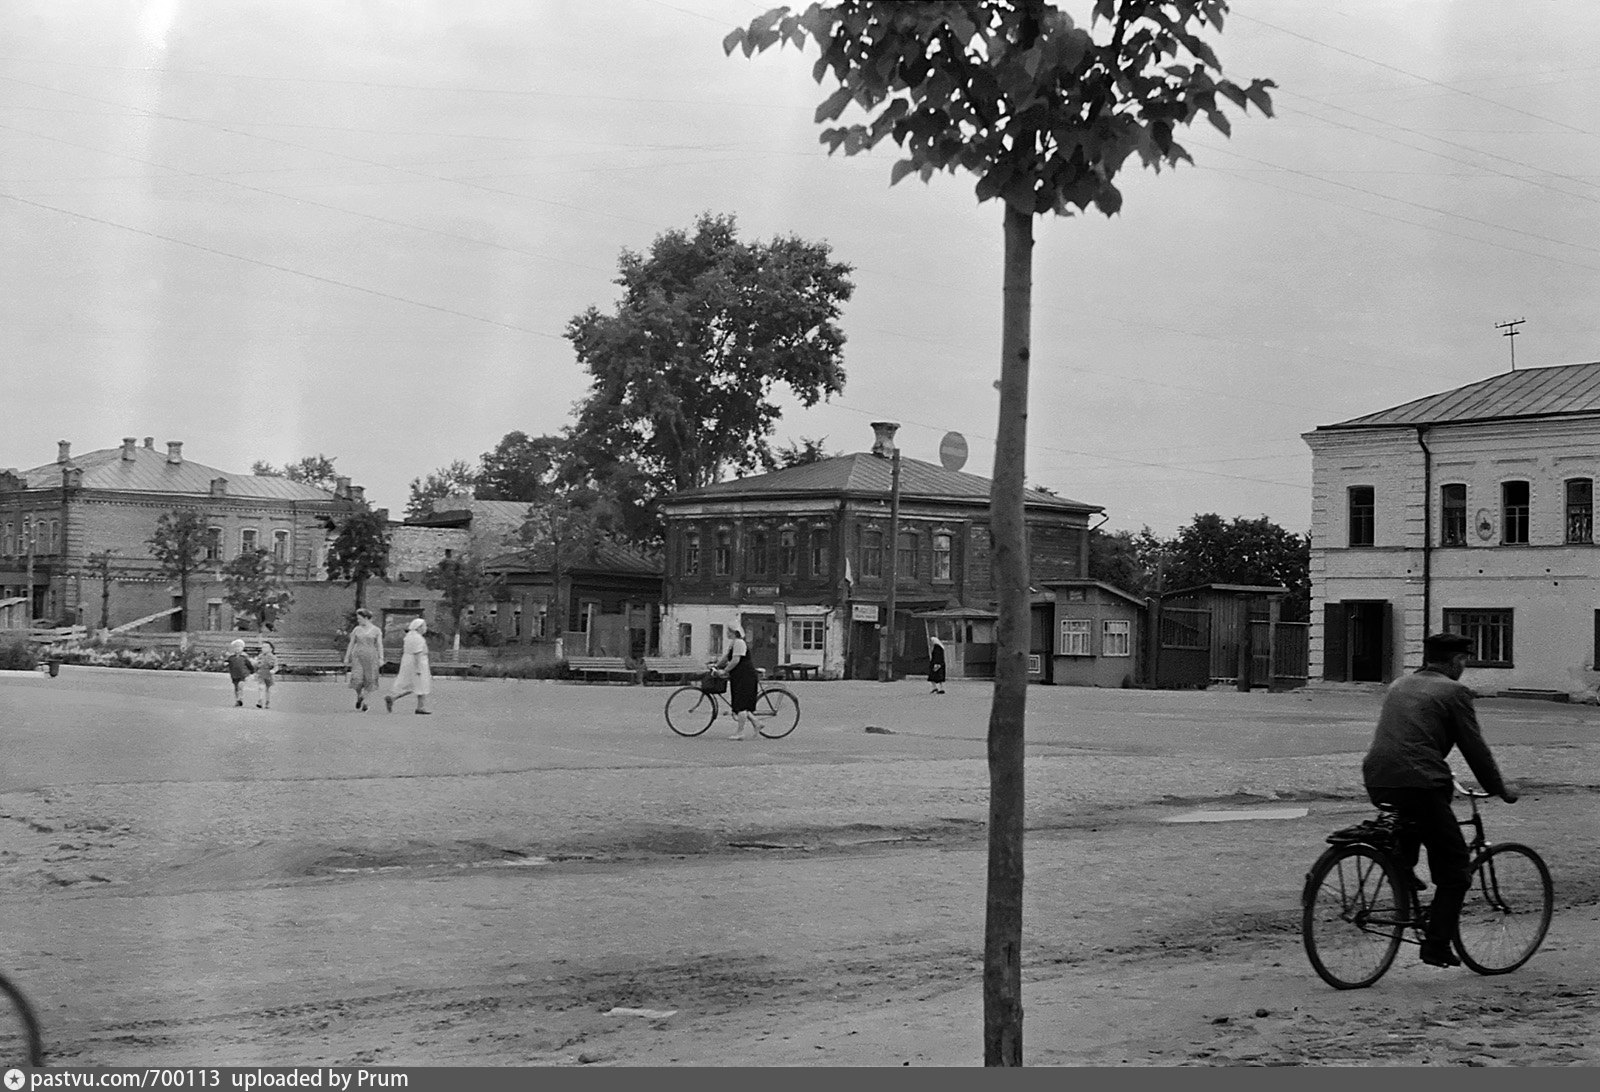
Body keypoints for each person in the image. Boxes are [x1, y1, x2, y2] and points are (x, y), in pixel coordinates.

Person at [1362, 631, 1518, 968]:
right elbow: (1474, 748)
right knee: (1455, 870)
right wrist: (1500, 788)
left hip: (1377, 778)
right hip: (1420, 781)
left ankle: (1402, 867)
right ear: (1458, 661)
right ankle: (1436, 945)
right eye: (1465, 661)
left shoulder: (1399, 684)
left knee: (1421, 812)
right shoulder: (1455, 691)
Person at [713, 625, 759, 740]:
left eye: (728, 631)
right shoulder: (734, 643)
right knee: (739, 702)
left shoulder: (739, 643)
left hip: (745, 676)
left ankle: (740, 732)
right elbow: (726, 658)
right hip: (738, 676)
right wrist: (716, 665)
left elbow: (735, 660)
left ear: (734, 632)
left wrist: (724, 670)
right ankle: (757, 723)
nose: (727, 633)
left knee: (741, 705)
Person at [385, 617, 432, 715]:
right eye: (424, 626)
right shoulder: (418, 638)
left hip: (408, 662)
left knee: (414, 685)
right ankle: (420, 707)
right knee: (420, 684)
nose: (425, 628)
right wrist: (419, 668)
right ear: (419, 627)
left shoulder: (409, 636)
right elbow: (417, 653)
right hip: (418, 663)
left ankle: (418, 706)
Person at [343, 608, 385, 711]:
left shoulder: (376, 630)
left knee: (369, 679)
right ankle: (359, 695)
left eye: (360, 618)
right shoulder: (357, 629)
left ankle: (365, 700)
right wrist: (347, 656)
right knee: (357, 679)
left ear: (366, 618)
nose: (358, 620)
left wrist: (381, 658)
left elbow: (379, 645)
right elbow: (351, 643)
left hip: (371, 656)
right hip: (358, 656)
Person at [224, 638, 254, 707]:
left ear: (242, 648)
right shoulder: (231, 657)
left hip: (242, 674)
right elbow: (227, 662)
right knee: (236, 687)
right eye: (235, 647)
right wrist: (225, 664)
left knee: (240, 685)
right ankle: (237, 700)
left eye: (239, 647)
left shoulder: (244, 657)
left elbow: (248, 664)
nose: (237, 649)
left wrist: (252, 670)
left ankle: (240, 698)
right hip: (234, 674)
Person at [254, 639, 277, 709]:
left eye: (265, 647)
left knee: (268, 689)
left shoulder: (273, 657)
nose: (263, 649)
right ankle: (260, 700)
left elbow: (276, 666)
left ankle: (267, 702)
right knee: (261, 687)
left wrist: (274, 670)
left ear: (271, 649)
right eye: (262, 647)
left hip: (269, 674)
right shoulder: (260, 656)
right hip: (261, 673)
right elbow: (256, 665)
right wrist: (256, 668)